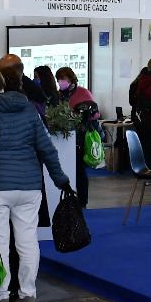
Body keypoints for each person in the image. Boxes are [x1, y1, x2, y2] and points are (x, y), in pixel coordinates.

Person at [0, 62, 71, 302]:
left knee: (0, 243)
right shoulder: (28, 108)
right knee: (27, 242)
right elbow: (47, 149)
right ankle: (28, 297)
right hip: (29, 186)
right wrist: (61, 179)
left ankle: (1, 300)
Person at [55, 66, 96, 208]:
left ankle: (82, 201)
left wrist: (83, 113)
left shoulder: (84, 93)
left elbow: (96, 114)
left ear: (71, 78)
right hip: (63, 137)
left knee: (79, 170)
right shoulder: (58, 95)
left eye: (64, 78)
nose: (61, 82)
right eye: (59, 79)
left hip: (80, 136)